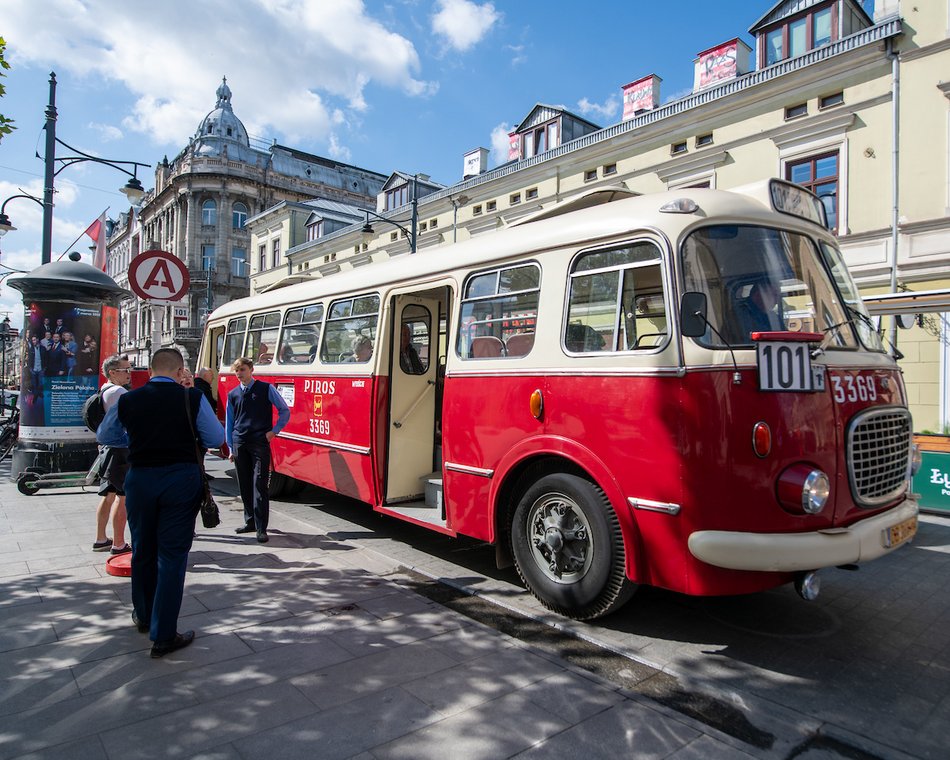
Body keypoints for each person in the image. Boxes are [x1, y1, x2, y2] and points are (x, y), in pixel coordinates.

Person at [97, 348, 224, 658]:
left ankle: (143, 614)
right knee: (172, 555)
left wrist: (138, 440)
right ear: (180, 371)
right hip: (180, 478)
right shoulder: (191, 398)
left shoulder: (129, 399)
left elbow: (106, 434)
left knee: (143, 549)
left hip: (141, 478)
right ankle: (164, 634)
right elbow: (215, 437)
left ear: (150, 371)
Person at [226, 357, 290, 544]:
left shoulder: (265, 389)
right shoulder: (233, 394)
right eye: (237, 371)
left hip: (259, 443)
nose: (239, 374)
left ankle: (262, 528)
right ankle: (250, 522)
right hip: (239, 442)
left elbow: (284, 410)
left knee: (259, 484)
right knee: (244, 484)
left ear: (251, 370)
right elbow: (230, 421)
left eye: (242, 370)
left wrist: (274, 431)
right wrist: (230, 447)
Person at [92, 355, 133, 556]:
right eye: (125, 370)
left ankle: (101, 539)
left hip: (108, 449)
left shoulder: (105, 389)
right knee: (122, 497)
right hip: (120, 450)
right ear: (112, 372)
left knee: (107, 495)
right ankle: (119, 543)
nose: (129, 373)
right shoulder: (119, 392)